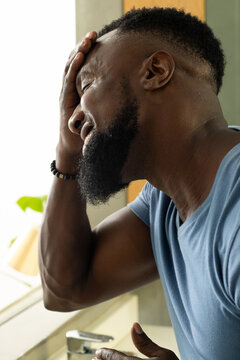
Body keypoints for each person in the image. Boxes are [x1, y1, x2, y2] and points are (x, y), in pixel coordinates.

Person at [39, 7, 240, 360]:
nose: (72, 118)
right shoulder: (163, 203)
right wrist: (67, 150)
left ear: (156, 71)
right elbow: (64, 289)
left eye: (86, 85)